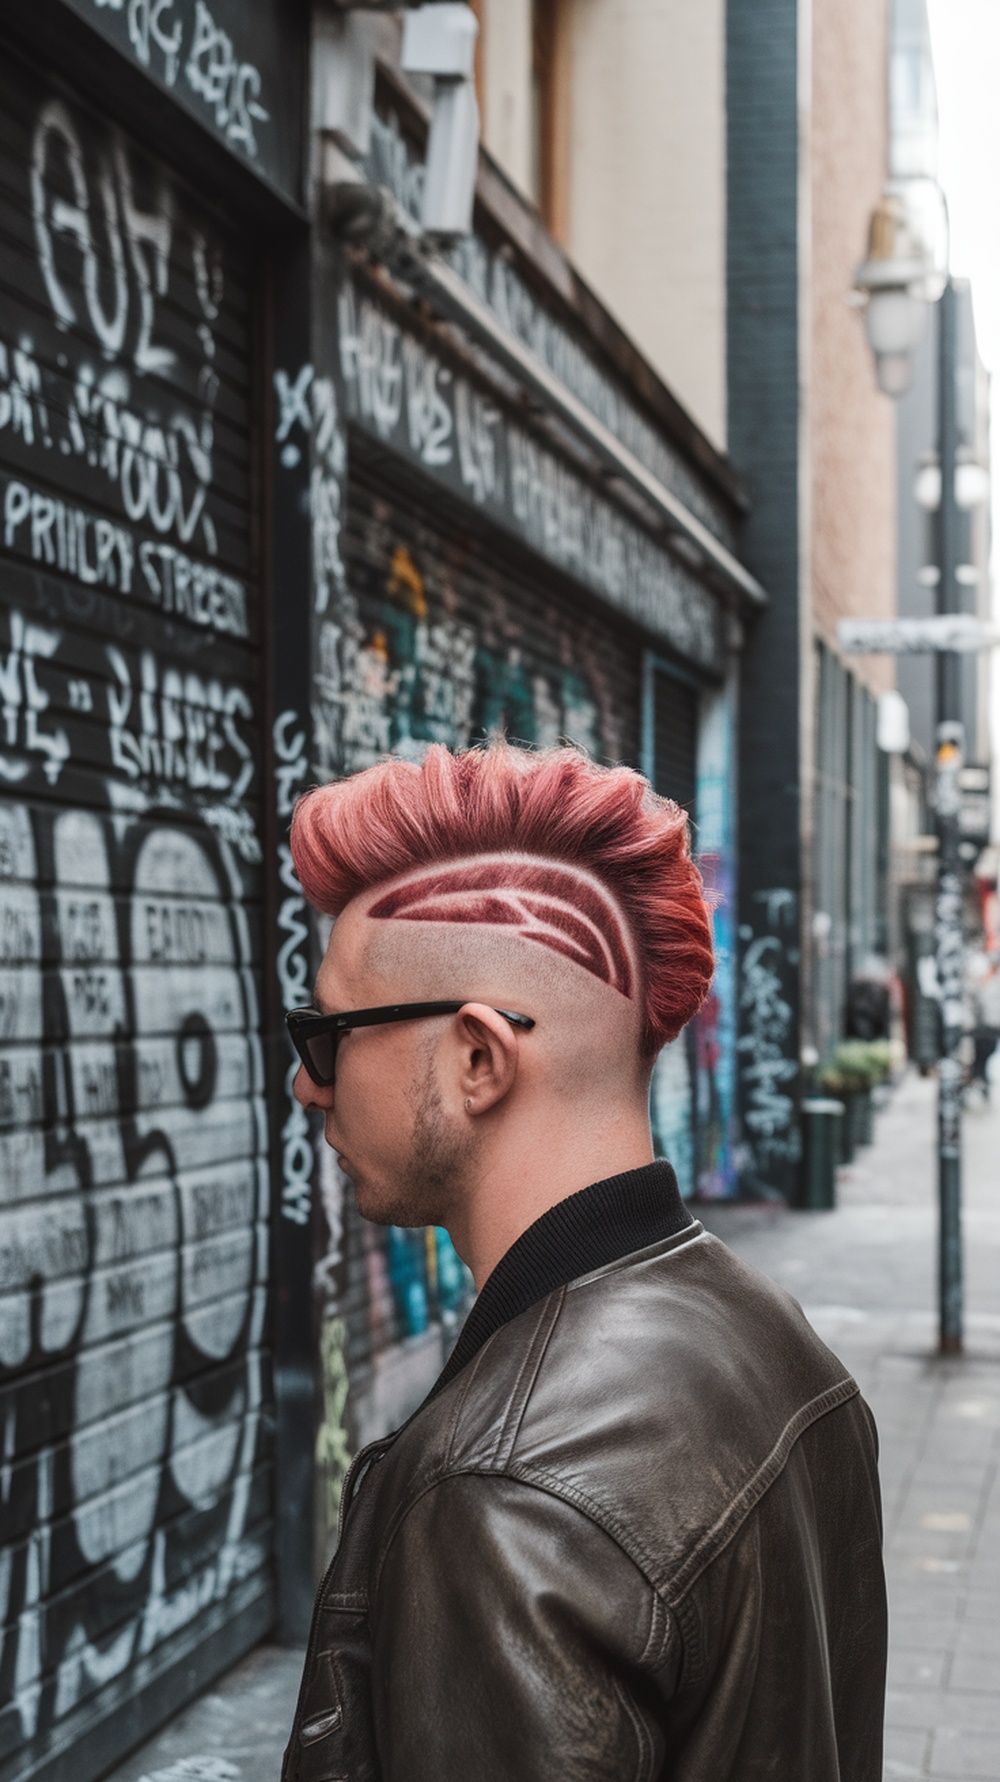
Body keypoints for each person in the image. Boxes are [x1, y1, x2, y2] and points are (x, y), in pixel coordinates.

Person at [282, 740, 886, 1782]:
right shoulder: (776, 1339)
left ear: (479, 1057)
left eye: (328, 1034)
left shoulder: (505, 1494)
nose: (308, 1085)